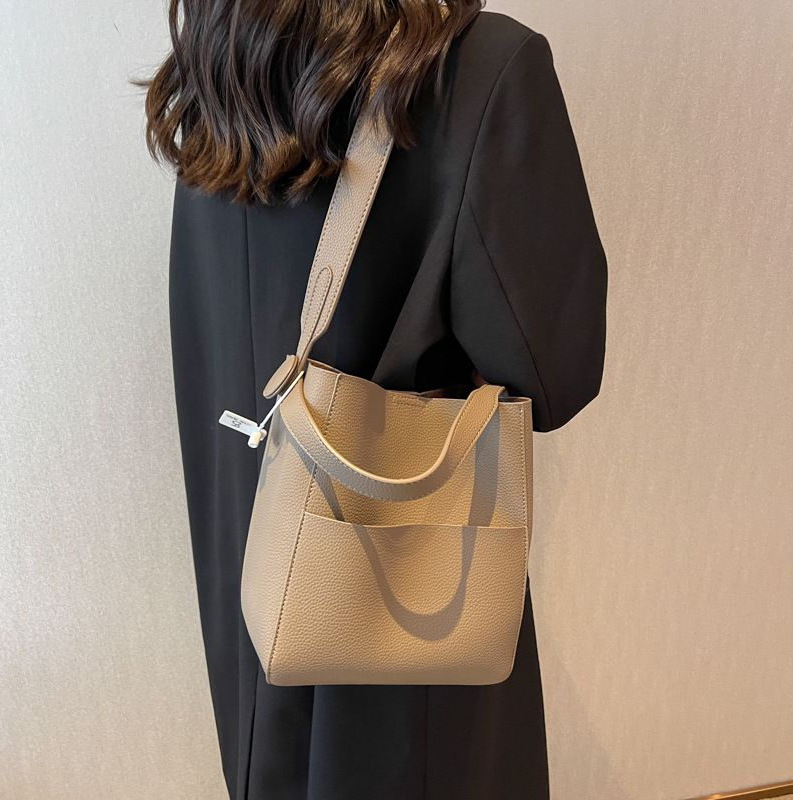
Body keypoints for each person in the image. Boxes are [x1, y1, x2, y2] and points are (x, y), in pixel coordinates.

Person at [137, 1, 608, 798]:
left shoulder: (219, 62)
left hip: (254, 606)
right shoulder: (476, 68)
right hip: (408, 629)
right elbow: (557, 371)